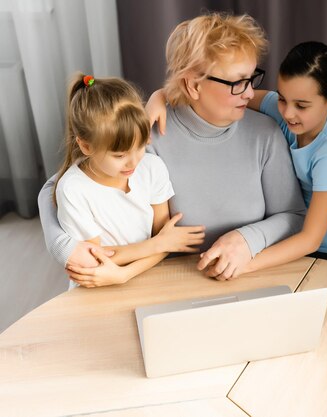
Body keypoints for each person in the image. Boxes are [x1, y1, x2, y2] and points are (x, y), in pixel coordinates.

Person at [38, 13, 305, 283]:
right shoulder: (147, 134)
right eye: (237, 83)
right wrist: (63, 246)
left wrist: (247, 240)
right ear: (193, 84)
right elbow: (62, 184)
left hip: (250, 276)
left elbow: (294, 215)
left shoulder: (266, 133)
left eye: (252, 78)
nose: (250, 93)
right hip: (166, 281)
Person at [148, 41, 327, 275]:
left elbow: (310, 240)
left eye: (301, 106)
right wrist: (160, 96)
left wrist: (245, 263)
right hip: (289, 243)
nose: (287, 113)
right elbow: (219, 95)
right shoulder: (281, 110)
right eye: (283, 98)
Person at [50, 74, 205, 288]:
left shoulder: (152, 167)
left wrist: (127, 273)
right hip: (97, 286)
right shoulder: (73, 189)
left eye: (140, 146)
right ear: (86, 146)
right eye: (120, 155)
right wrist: (156, 244)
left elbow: (166, 241)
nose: (133, 162)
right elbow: (95, 261)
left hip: (149, 279)